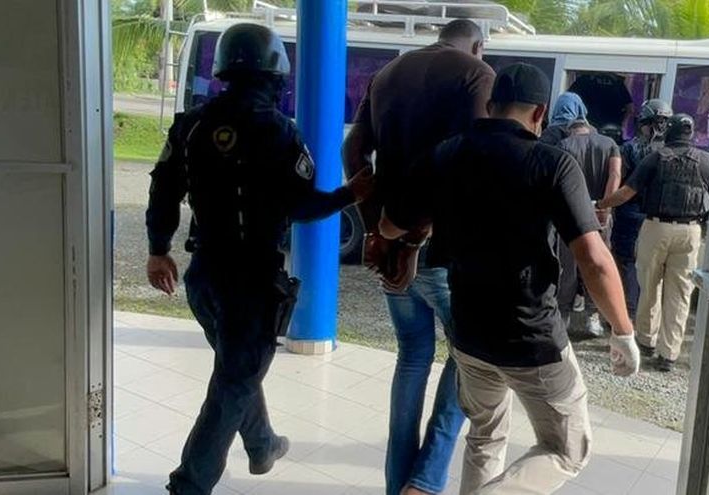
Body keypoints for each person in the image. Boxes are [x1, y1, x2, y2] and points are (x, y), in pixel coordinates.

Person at [380, 63, 640, 495]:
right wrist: (623, 330)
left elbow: (390, 225)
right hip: (531, 338)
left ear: (490, 105)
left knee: (485, 436)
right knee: (567, 450)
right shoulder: (551, 163)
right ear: (540, 113)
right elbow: (593, 259)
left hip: (468, 336)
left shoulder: (446, 153)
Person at [145, 24, 374, 495]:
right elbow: (301, 207)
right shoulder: (280, 132)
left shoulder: (191, 125)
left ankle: (262, 444)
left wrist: (157, 249)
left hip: (203, 276)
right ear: (276, 74)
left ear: (223, 69)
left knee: (238, 368)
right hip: (250, 282)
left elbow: (163, 190)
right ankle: (188, 486)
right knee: (234, 382)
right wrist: (349, 194)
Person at [342, 19, 496, 495]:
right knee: (471, 353)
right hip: (444, 248)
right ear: (478, 45)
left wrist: (379, 229)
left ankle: (399, 485)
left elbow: (353, 151)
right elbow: (467, 159)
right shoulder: (476, 74)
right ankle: (426, 479)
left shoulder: (387, 73)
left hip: (394, 243)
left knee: (412, 356)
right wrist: (413, 238)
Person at [598, 114, 709, 372]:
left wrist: (601, 204)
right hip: (690, 231)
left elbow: (626, 193)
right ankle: (668, 354)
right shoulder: (707, 161)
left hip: (656, 227)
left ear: (668, 131)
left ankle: (646, 340)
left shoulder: (655, 158)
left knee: (649, 285)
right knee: (680, 293)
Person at [541, 92, 622, 337]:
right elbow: (615, 175)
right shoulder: (610, 144)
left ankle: (563, 316)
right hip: (600, 214)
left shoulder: (563, 145)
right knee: (598, 263)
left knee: (568, 266)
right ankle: (593, 317)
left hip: (570, 213)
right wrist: (606, 207)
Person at [610, 99, 673, 320]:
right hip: (659, 216)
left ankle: (628, 312)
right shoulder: (671, 153)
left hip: (630, 212)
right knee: (654, 267)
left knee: (627, 261)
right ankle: (646, 315)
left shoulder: (629, 148)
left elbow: (620, 181)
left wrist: (606, 204)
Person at [568, 72, 634, 131]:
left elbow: (567, 101)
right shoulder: (617, 82)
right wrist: (623, 124)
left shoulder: (584, 79)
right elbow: (630, 108)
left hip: (588, 125)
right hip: (611, 127)